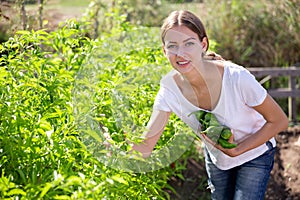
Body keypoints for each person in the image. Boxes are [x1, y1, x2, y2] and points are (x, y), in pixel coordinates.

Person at [129, 10, 289, 200]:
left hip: (255, 153)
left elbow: (279, 121)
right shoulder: (169, 90)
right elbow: (145, 147)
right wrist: (111, 150)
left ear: (203, 44)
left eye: (189, 43)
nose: (180, 53)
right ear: (164, 51)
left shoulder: (236, 78)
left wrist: (236, 149)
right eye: (172, 46)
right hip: (218, 158)